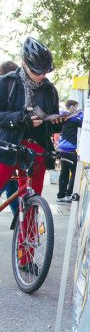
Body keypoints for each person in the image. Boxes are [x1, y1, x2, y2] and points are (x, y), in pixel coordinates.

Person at [0, 37, 63, 272]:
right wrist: (20, 118)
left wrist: (57, 122)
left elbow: (53, 127)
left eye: (45, 71)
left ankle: (26, 258)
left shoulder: (50, 90)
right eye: (37, 71)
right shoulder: (6, 83)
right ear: (24, 62)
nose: (42, 76)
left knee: (32, 203)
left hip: (36, 149)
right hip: (7, 146)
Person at [0, 60, 19, 215]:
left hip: (6, 146)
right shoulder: (10, 89)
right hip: (7, 145)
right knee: (9, 186)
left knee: (10, 187)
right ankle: (17, 218)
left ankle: (17, 219)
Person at [56, 100, 83, 203]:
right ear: (72, 107)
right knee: (75, 173)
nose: (77, 109)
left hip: (62, 149)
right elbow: (83, 122)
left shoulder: (63, 117)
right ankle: (68, 195)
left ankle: (61, 195)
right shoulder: (72, 119)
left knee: (64, 172)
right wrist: (79, 112)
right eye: (76, 106)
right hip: (70, 150)